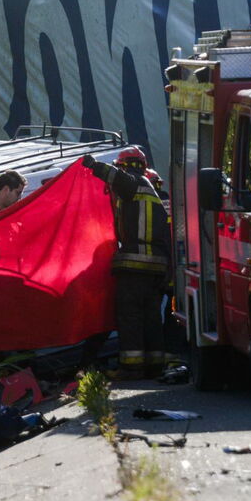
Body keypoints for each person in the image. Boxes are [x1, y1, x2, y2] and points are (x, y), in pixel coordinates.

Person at [82, 147, 172, 380]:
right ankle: (155, 364)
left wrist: (93, 165)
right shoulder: (148, 189)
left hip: (135, 264)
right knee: (151, 317)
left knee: (129, 315)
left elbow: (116, 177)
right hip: (156, 266)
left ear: (126, 166)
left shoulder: (134, 184)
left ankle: (131, 367)